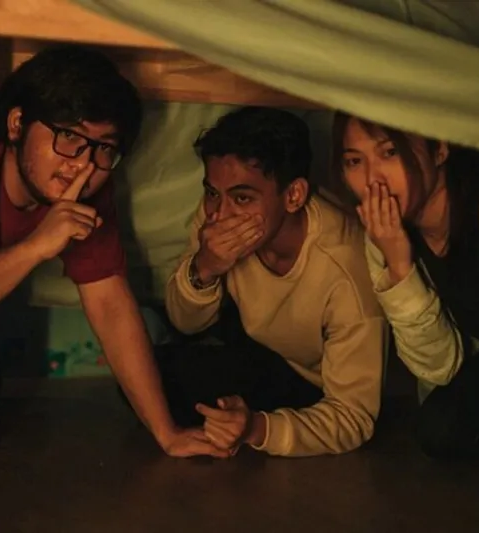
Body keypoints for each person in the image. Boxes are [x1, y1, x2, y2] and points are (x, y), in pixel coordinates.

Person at [0, 44, 228, 459]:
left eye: (103, 147)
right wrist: (36, 247)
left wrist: (168, 433)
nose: (83, 165)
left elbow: (109, 301)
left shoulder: (85, 177)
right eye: (69, 136)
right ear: (17, 123)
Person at [159, 106, 387, 457]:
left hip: (312, 383)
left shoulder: (346, 270)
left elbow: (354, 417)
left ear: (294, 196)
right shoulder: (214, 216)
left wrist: (257, 428)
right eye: (212, 193)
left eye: (242, 198)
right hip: (254, 342)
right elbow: (184, 322)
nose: (220, 214)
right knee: (149, 379)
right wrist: (204, 267)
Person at [331, 112, 479, 460]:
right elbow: (440, 368)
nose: (372, 179)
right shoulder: (383, 238)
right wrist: (400, 268)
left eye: (390, 152)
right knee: (439, 429)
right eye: (354, 161)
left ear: (439, 149)